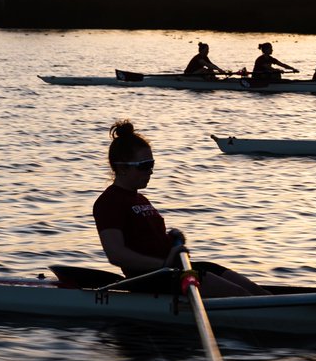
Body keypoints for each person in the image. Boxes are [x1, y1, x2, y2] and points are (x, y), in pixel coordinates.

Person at [92, 120, 267, 298]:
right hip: (151, 278)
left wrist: (171, 239)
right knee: (238, 294)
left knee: (256, 292)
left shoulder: (140, 199)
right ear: (122, 168)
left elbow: (146, 240)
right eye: (144, 166)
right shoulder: (108, 202)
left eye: (152, 164)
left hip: (173, 269)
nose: (150, 171)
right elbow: (116, 254)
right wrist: (164, 264)